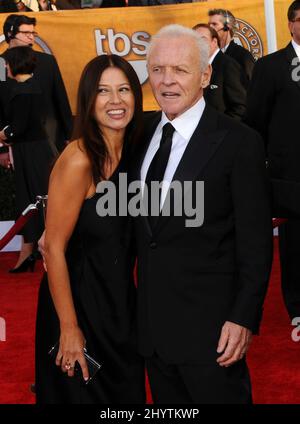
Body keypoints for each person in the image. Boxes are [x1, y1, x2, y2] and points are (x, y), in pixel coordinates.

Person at [132, 24, 273, 404]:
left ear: (205, 75)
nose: (166, 81)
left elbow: (256, 244)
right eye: (157, 69)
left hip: (212, 334)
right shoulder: (140, 136)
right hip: (153, 334)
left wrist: (242, 318)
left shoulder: (239, 142)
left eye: (180, 70)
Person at [35, 54, 145, 404]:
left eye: (124, 89)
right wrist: (69, 328)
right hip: (78, 305)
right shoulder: (79, 158)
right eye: (103, 91)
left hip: (119, 305)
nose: (116, 100)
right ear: (88, 99)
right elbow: (52, 248)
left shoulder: (135, 152)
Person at [0, 14, 72, 269]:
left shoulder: (46, 62)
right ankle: (28, 249)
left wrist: (69, 139)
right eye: (26, 33)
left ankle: (52, 248)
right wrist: (3, 146)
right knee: (26, 196)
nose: (32, 37)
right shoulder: (0, 66)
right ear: (10, 33)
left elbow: (61, 102)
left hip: (47, 142)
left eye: (33, 32)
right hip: (17, 144)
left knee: (51, 194)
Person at [246, 0, 300, 321]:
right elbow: (256, 123)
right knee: (295, 247)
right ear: (291, 24)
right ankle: (297, 307)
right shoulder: (270, 67)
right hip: (290, 175)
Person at [0, 47, 55, 273]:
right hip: (32, 150)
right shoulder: (32, 88)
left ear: (15, 64)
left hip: (31, 152)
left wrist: (4, 134)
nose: (5, 67)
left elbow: (20, 127)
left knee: (35, 199)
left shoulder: (24, 92)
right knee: (33, 198)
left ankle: (37, 252)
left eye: (7, 63)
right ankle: (29, 251)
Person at [193, 23, 246, 120]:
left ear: (214, 41)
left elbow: (241, 107)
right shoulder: (196, 68)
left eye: (203, 39)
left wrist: (221, 129)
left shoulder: (229, 66)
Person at [208, 8, 255, 89]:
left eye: (214, 24)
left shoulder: (243, 56)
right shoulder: (206, 56)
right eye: (208, 24)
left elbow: (252, 87)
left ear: (227, 27)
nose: (209, 28)